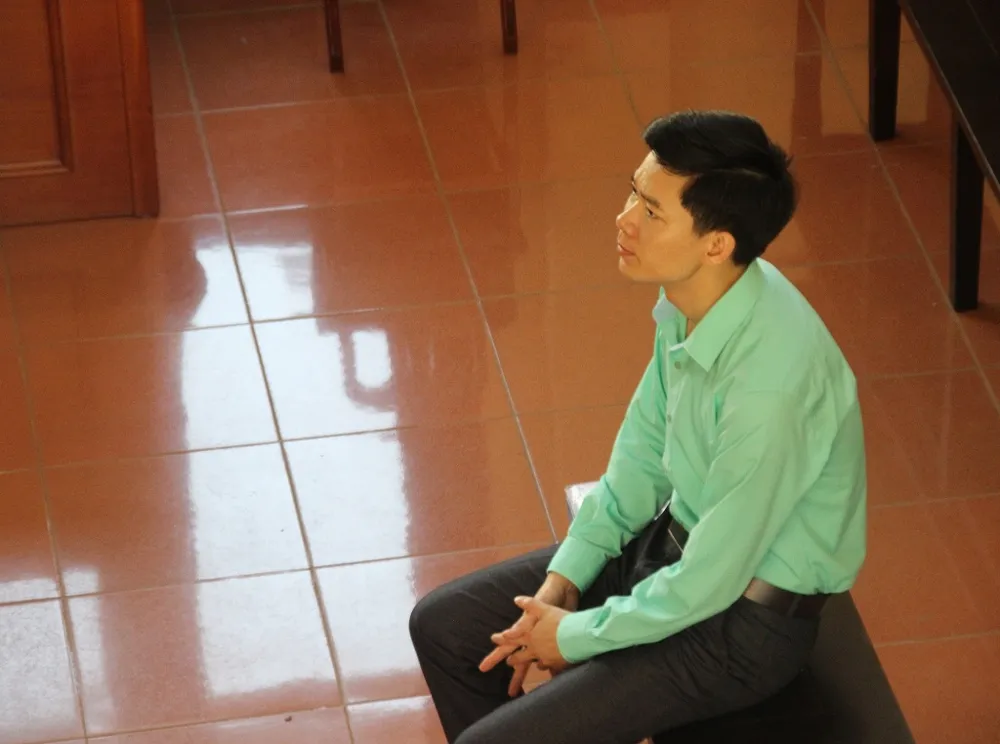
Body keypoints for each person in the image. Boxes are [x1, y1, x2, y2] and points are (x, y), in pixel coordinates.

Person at [408, 109, 867, 744]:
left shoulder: (773, 388)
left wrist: (573, 635)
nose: (624, 219)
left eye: (651, 212)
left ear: (716, 244)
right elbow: (644, 455)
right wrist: (566, 578)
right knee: (444, 626)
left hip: (741, 624)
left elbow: (712, 578)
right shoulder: (694, 299)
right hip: (671, 553)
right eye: (633, 193)